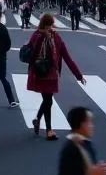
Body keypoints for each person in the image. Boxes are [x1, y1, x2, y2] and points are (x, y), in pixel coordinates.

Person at [26, 13, 85, 141]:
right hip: (51, 73)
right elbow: (67, 58)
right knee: (48, 100)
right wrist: (78, 75)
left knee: (47, 100)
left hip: (39, 72)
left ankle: (38, 120)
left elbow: (29, 54)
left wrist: (78, 75)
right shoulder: (55, 37)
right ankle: (48, 130)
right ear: (50, 24)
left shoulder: (36, 36)